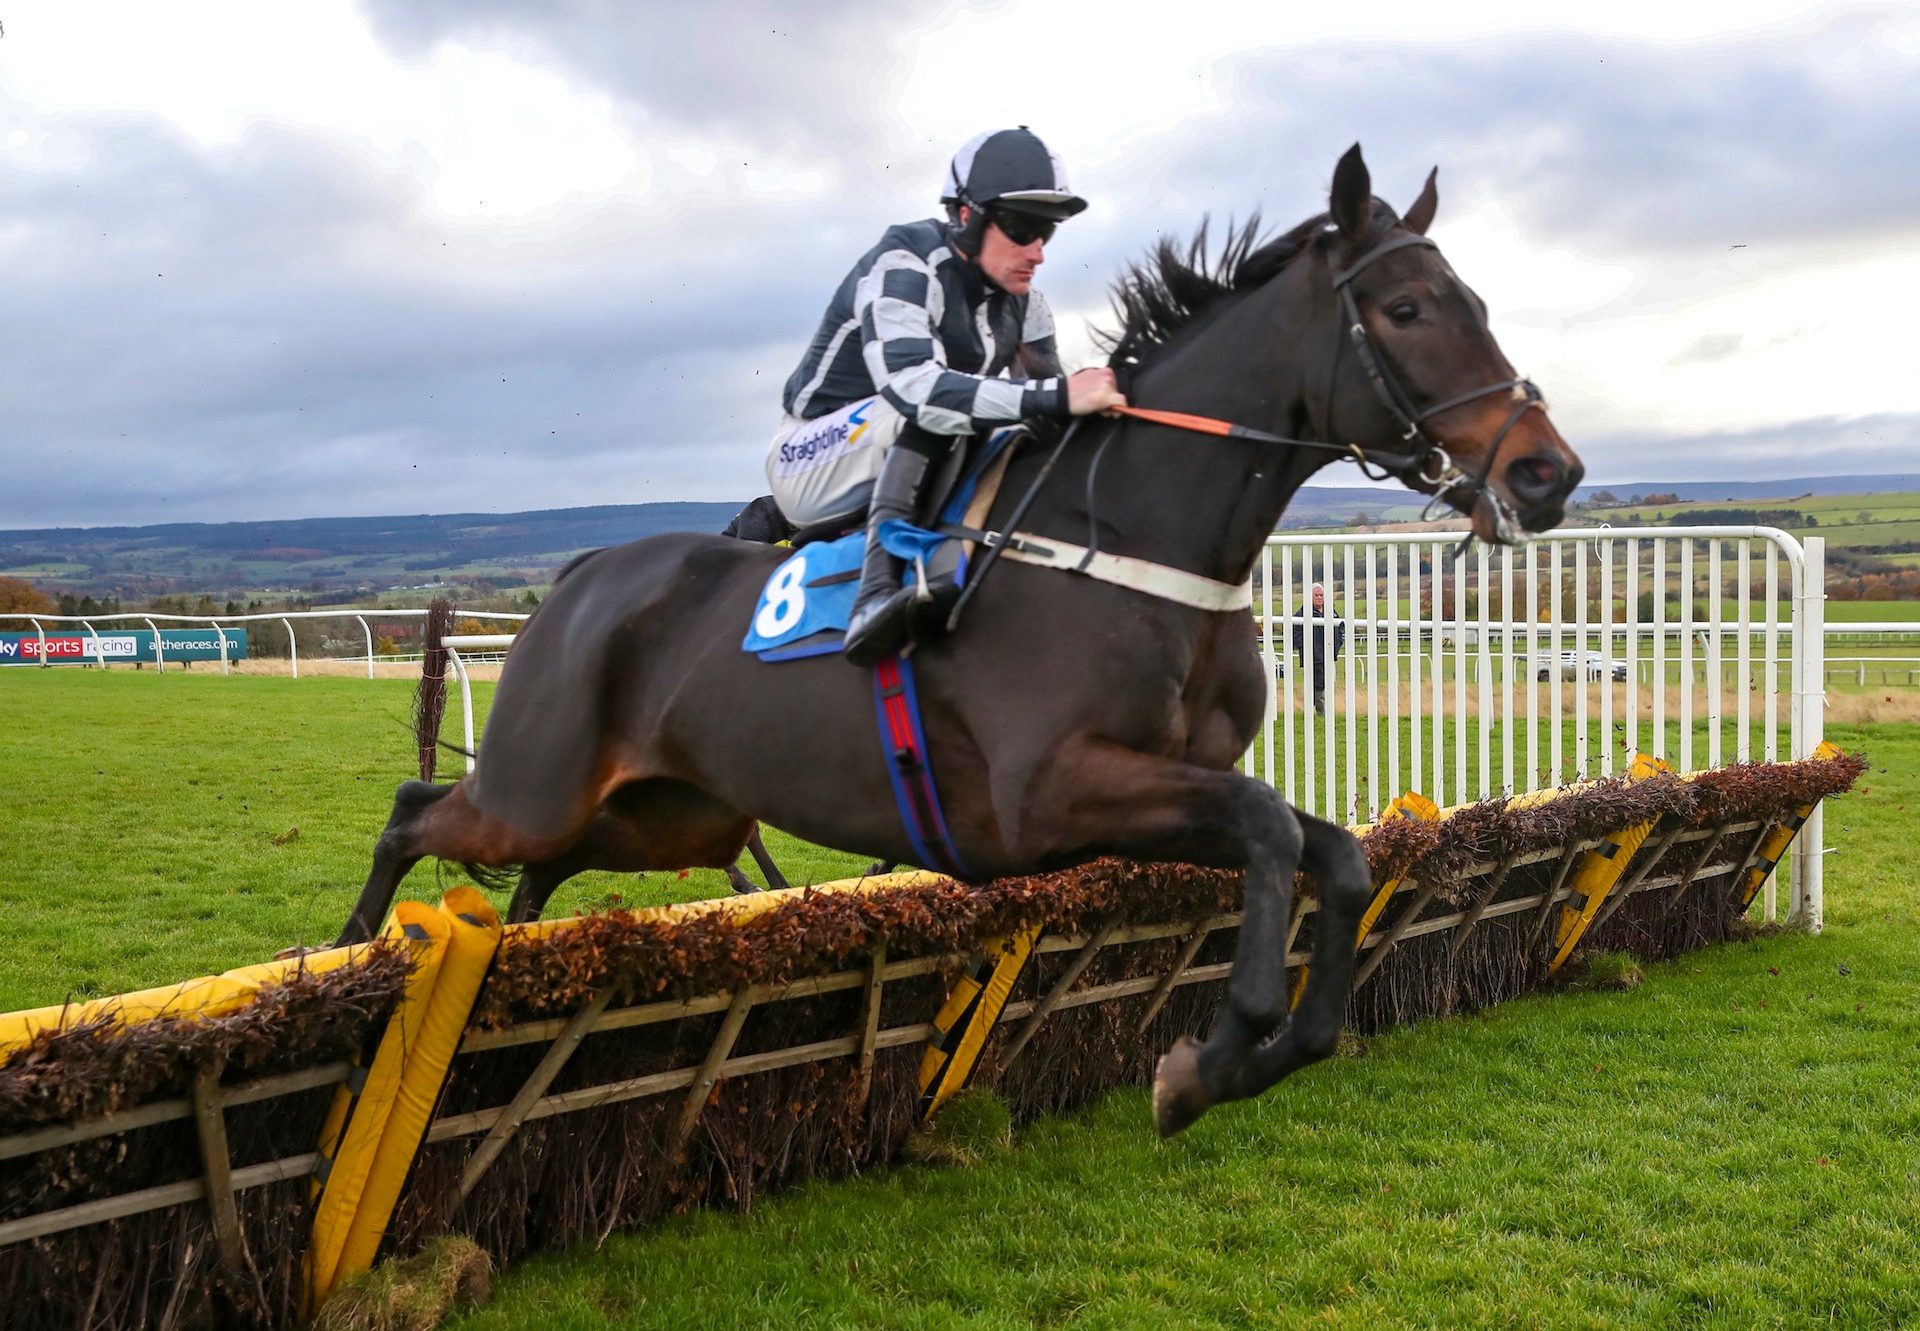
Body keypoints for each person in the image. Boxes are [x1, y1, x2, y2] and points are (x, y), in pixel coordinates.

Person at [767, 126, 1127, 665]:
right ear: (965, 216)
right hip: (812, 457)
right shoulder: (904, 262)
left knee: (1011, 427)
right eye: (1022, 227)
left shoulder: (1025, 300)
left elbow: (1044, 395)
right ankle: (875, 596)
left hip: (904, 453)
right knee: (929, 406)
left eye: (1046, 232)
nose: (1037, 252)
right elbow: (915, 388)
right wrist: (1056, 397)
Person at [1292, 583, 1346, 715]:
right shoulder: (1302, 614)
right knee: (1318, 683)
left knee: (1329, 682)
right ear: (1310, 597)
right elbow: (1296, 634)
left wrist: (1338, 644)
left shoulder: (1331, 612)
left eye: (1321, 595)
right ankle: (1321, 712)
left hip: (1329, 655)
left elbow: (1340, 629)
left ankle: (1319, 710)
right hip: (1314, 657)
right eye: (1316, 595)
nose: (1319, 598)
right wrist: (1306, 648)